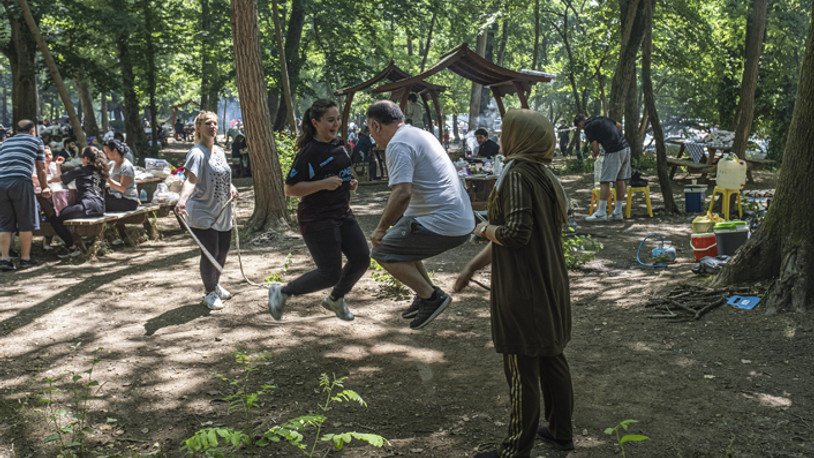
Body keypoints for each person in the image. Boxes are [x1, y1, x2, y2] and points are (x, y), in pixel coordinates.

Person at [455, 109, 574, 457]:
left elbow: (516, 234)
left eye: (505, 131)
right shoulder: (541, 174)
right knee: (552, 356)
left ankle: (514, 451)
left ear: (519, 137)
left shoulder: (518, 175)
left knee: (522, 367)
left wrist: (483, 228)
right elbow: (523, 235)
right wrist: (472, 267)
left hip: (524, 289)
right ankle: (560, 431)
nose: (500, 136)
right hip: (548, 281)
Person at [366, 100, 474, 330]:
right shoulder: (419, 134)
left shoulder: (397, 144)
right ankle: (425, 294)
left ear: (376, 126)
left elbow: (402, 192)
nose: (372, 137)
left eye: (370, 130)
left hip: (444, 222)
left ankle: (431, 297)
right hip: (459, 217)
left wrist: (381, 227)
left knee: (383, 250)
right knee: (402, 244)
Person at [267, 99, 368, 322]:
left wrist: (349, 182)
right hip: (317, 218)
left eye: (338, 119)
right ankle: (282, 292)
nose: (336, 124)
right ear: (315, 122)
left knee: (361, 258)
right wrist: (322, 184)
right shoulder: (309, 152)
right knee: (330, 273)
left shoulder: (339, 143)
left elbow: (340, 172)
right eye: (330, 120)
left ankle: (335, 299)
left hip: (342, 212)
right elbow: (289, 189)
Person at [175, 111, 239, 311]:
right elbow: (191, 179)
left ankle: (215, 284)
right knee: (210, 252)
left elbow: (223, 174)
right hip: (202, 211)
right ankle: (209, 293)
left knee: (223, 251)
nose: (213, 127)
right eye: (208, 123)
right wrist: (182, 200)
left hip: (222, 210)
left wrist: (231, 187)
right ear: (198, 128)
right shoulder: (196, 153)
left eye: (215, 123)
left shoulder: (219, 151)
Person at [0, 120, 52, 270]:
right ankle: (25, 259)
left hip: (1, 182)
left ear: (17, 131)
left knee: (4, 223)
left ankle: (4, 259)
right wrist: (45, 187)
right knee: (25, 222)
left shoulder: (5, 143)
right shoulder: (36, 141)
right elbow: (41, 167)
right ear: (32, 131)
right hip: (21, 182)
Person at [47, 146, 108, 258]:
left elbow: (60, 179)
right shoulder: (101, 171)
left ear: (86, 159)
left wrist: (46, 182)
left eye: (81, 157)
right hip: (100, 208)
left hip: (87, 207)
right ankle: (79, 243)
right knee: (67, 214)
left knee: (55, 219)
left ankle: (72, 247)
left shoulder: (80, 170)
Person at [574, 113, 630, 221]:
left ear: (581, 124)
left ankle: (601, 213)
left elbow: (596, 150)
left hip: (614, 151)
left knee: (605, 181)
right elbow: (619, 126)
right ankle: (618, 212)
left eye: (580, 127)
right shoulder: (601, 118)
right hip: (626, 148)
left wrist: (594, 154)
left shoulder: (588, 127)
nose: (581, 129)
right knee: (620, 181)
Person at [104, 139, 140, 212]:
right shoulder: (112, 164)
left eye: (107, 152)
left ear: (114, 151)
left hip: (128, 201)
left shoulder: (126, 167)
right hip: (116, 198)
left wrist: (108, 180)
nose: (106, 155)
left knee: (101, 203)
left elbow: (122, 188)